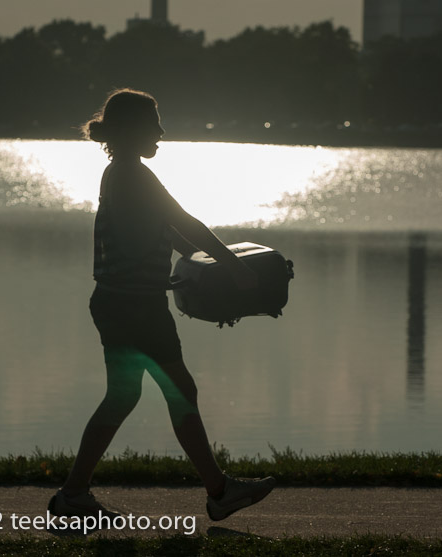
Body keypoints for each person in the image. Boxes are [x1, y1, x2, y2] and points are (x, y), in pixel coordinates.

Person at [48, 88, 276, 522]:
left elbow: (162, 234)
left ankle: (74, 493)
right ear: (134, 129)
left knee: (123, 396)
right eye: (154, 123)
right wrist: (232, 266)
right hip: (136, 307)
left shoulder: (119, 172)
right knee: (178, 392)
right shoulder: (134, 175)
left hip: (118, 301)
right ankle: (219, 492)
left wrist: (194, 270)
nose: (162, 131)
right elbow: (183, 220)